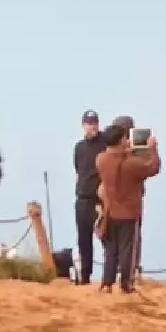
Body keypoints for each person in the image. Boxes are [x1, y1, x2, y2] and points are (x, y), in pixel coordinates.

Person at [94, 124, 161, 294]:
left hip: (109, 211)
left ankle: (107, 283)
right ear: (120, 140)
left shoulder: (101, 159)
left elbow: (115, 162)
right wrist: (153, 150)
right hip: (128, 213)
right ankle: (125, 284)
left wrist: (125, 151)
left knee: (110, 250)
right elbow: (152, 168)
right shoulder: (131, 164)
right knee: (127, 250)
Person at [71, 110, 104, 285]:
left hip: (100, 199)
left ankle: (110, 275)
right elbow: (78, 168)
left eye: (94, 123)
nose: (92, 126)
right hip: (83, 198)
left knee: (107, 237)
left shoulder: (104, 143)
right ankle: (85, 275)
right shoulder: (79, 147)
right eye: (89, 123)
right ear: (83, 125)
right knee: (83, 238)